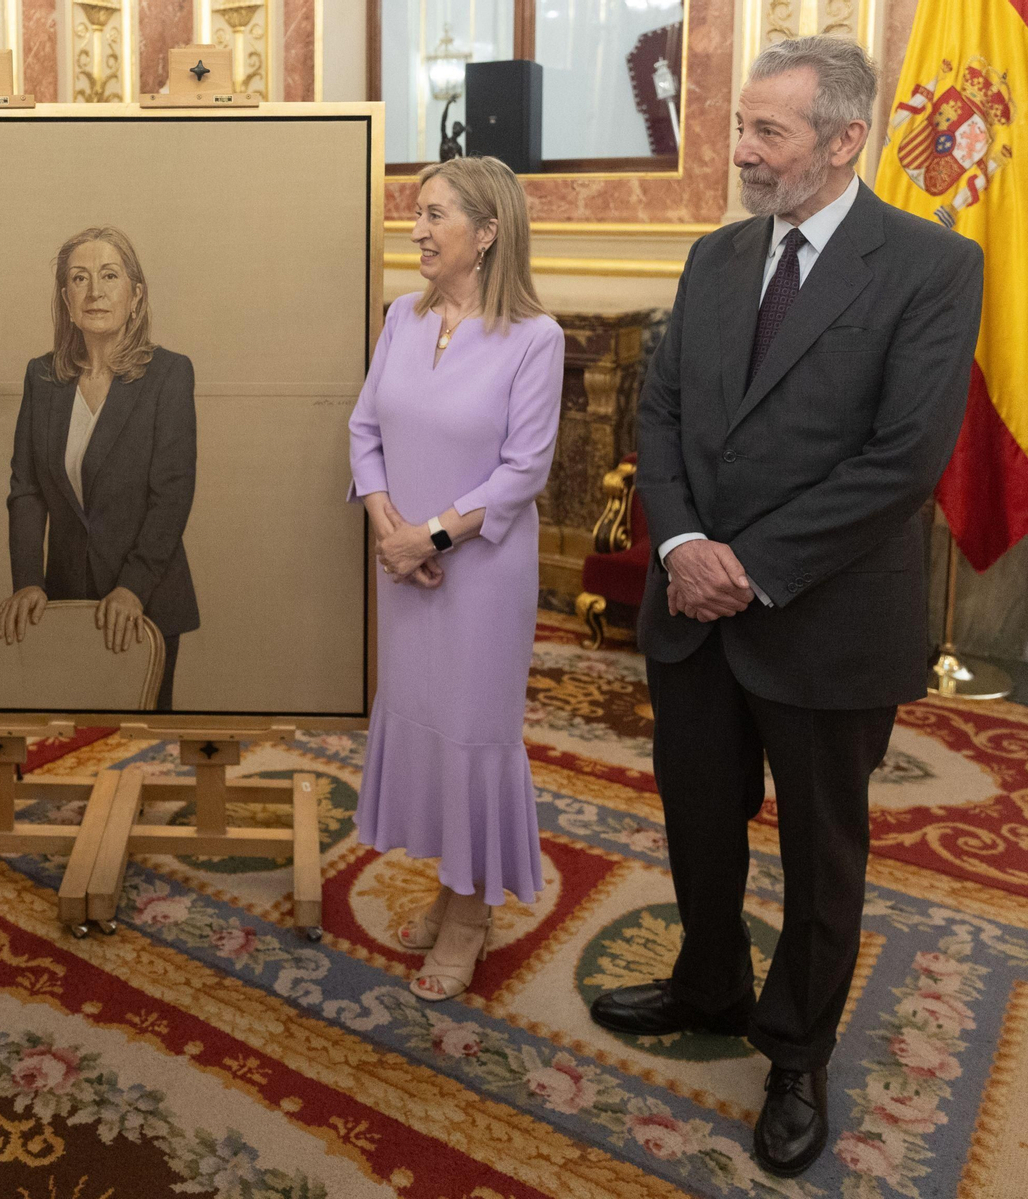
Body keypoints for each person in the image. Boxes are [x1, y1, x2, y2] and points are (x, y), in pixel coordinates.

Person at [587, 37, 984, 1177]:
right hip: (694, 613)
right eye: (743, 127)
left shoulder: (930, 265)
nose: (743, 151)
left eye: (769, 131)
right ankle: (707, 980)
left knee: (821, 855)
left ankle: (798, 1053)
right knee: (698, 820)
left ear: (845, 140)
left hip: (826, 620)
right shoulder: (713, 257)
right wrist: (679, 545)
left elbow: (902, 459)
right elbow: (660, 413)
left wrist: (748, 565)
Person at [348, 156, 564, 1003]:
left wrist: (429, 535)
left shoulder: (535, 338)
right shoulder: (401, 319)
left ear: (487, 232)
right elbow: (364, 431)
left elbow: (524, 470)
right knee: (425, 721)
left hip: (481, 577)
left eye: (435, 214)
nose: (417, 230)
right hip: (404, 570)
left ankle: (471, 914)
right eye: (418, 213)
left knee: (473, 733)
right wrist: (389, 530)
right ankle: (452, 882)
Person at [0, 226, 197, 711]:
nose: (95, 292)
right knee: (72, 737)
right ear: (66, 298)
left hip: (145, 600)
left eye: (109, 275)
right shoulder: (42, 376)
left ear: (135, 295)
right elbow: (27, 489)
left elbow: (171, 494)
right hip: (65, 599)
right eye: (79, 278)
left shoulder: (169, 374)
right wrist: (28, 581)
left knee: (142, 743)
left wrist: (132, 588)